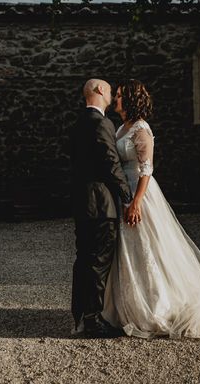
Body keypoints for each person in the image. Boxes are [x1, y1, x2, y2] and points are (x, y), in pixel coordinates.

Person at [102, 79, 200, 339]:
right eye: (117, 95)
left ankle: (157, 305)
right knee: (128, 249)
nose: (116, 99)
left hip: (140, 192)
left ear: (131, 100)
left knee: (150, 247)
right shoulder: (122, 127)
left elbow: (146, 169)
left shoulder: (141, 129)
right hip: (123, 190)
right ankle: (128, 304)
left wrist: (136, 202)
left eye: (120, 96)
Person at [70, 78, 133, 338]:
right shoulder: (101, 123)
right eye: (109, 90)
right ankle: (93, 321)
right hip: (101, 205)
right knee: (98, 262)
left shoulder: (77, 123)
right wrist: (128, 196)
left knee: (84, 260)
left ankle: (81, 315)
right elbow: (110, 163)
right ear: (99, 90)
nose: (111, 95)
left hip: (83, 204)